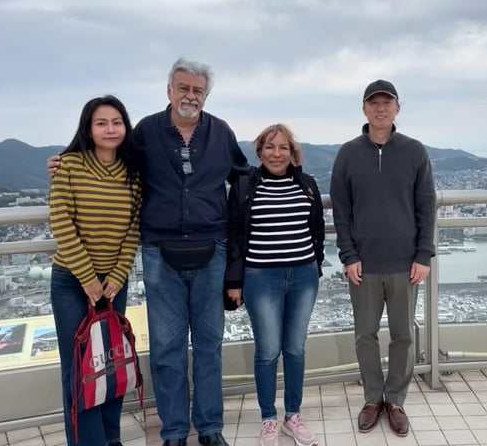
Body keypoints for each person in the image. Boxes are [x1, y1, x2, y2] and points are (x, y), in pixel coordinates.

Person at [49, 58, 248, 446]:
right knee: (166, 347)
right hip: (159, 252)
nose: (190, 95)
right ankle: (173, 431)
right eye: (183, 87)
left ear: (206, 95)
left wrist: (288, 171)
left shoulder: (221, 132)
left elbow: (242, 177)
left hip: (212, 249)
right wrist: (62, 160)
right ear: (169, 90)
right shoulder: (146, 132)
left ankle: (209, 428)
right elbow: (111, 160)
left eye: (197, 90)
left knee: (209, 346)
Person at [329, 80, 436, 437]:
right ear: (364, 110)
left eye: (386, 103)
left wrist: (423, 255)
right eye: (373, 103)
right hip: (364, 264)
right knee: (366, 335)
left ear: (397, 109)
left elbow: (426, 207)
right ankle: (373, 398)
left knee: (404, 334)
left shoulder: (414, 151)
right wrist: (348, 255)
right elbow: (341, 212)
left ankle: (397, 400)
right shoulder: (348, 154)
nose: (380, 109)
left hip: (407, 264)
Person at [49, 95, 142, 446]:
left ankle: (110, 438)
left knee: (111, 365)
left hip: (113, 286)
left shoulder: (132, 171)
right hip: (72, 282)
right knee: (80, 370)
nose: (110, 129)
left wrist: (117, 275)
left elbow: (133, 228)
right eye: (101, 123)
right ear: (88, 128)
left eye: (116, 122)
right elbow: (62, 222)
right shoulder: (69, 166)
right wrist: (88, 278)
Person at [225, 124, 324, 446]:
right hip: (260, 277)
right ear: (259, 151)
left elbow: (317, 232)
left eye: (283, 147)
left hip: (303, 275)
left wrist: (315, 266)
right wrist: (234, 282)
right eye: (270, 147)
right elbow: (235, 237)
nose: (276, 153)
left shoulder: (307, 184)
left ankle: (292, 415)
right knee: (268, 351)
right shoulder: (244, 187)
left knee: (295, 348)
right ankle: (268, 418)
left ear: (293, 152)